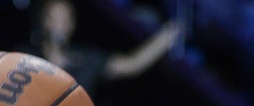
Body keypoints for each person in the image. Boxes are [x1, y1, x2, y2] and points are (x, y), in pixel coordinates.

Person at [30, 0, 182, 95]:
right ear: (44, 21)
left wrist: (165, 38)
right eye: (54, 18)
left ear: (72, 24)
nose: (60, 25)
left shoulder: (86, 60)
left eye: (65, 19)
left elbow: (131, 65)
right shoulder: (28, 60)